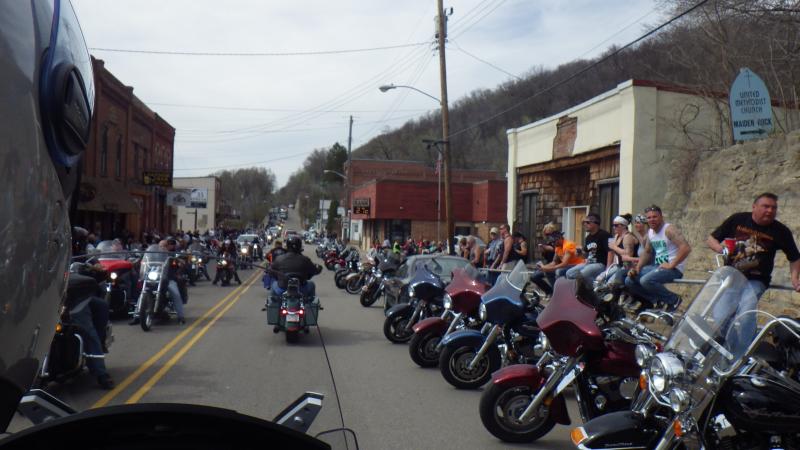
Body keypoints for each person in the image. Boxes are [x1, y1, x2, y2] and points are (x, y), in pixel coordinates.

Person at [706, 193, 800, 350]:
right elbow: (711, 238)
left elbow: (795, 257)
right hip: (731, 276)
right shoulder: (738, 220)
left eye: (774, 208)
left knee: (746, 311)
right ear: (754, 207)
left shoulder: (780, 231)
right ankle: (729, 350)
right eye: (766, 206)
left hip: (756, 279)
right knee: (720, 316)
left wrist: (795, 278)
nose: (770, 210)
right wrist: (720, 248)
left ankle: (744, 352)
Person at [626, 205, 692, 312]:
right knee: (629, 280)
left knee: (646, 280)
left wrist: (671, 264)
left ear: (661, 217)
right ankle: (656, 301)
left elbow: (686, 248)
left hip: (674, 269)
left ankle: (673, 299)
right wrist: (638, 268)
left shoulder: (669, 230)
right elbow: (647, 252)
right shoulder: (651, 232)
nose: (652, 219)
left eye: (655, 217)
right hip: (657, 267)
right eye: (649, 217)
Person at [530, 231, 585, 295]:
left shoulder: (568, 245)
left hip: (577, 265)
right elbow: (554, 262)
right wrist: (544, 267)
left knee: (559, 271)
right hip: (567, 266)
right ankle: (554, 292)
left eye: (554, 242)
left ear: (560, 239)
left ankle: (561, 293)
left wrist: (550, 268)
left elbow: (564, 264)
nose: (553, 244)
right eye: (552, 242)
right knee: (537, 275)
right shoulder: (557, 247)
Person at [566, 213, 611, 281]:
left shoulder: (604, 235)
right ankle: (585, 289)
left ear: (596, 223)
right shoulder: (588, 238)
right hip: (589, 263)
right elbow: (585, 255)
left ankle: (595, 289)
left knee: (582, 273)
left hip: (600, 264)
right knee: (569, 273)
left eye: (587, 222)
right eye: (584, 222)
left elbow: (610, 252)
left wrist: (608, 269)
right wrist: (579, 253)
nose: (585, 224)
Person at [603, 214, 639, 286]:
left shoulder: (628, 237)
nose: (614, 227)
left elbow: (628, 255)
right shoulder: (616, 236)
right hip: (619, 265)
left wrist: (615, 247)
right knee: (600, 278)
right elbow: (612, 252)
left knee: (610, 284)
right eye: (613, 225)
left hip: (629, 266)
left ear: (623, 226)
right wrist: (608, 267)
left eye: (616, 225)